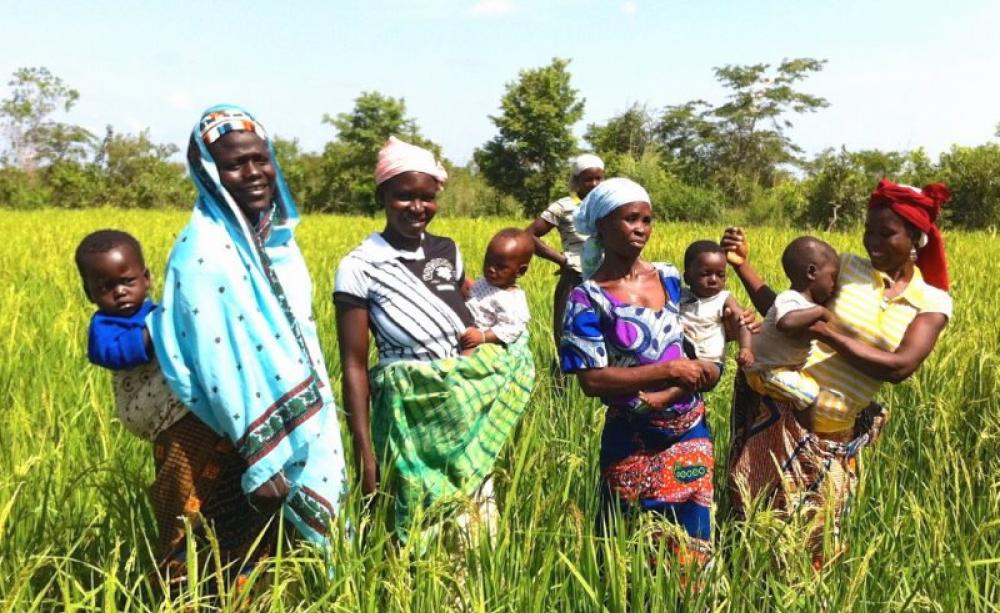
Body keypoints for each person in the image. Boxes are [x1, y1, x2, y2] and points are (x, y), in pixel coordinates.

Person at [148, 106, 348, 584]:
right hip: (226, 445)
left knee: (279, 575)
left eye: (261, 159)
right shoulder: (204, 252)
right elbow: (217, 364)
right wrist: (263, 456)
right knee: (216, 573)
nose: (254, 173)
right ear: (210, 173)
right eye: (236, 164)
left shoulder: (277, 244)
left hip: (289, 435)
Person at [722, 179, 952, 562]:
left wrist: (829, 330)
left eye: (885, 233)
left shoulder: (932, 301)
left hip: (833, 437)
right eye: (868, 230)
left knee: (816, 547)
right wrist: (744, 266)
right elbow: (785, 316)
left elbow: (900, 367)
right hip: (774, 417)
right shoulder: (845, 267)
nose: (872, 241)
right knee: (752, 534)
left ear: (915, 236)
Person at [334, 137, 535, 542]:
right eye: (404, 196)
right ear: (383, 195)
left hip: (463, 410)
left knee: (473, 531)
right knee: (414, 532)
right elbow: (353, 367)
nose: (417, 207)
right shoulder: (360, 266)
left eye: (427, 197)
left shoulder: (448, 249)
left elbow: (472, 301)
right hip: (409, 415)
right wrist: (365, 457)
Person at [558, 178, 723, 567]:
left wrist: (733, 318)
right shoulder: (587, 297)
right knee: (627, 553)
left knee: (693, 548)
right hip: (631, 438)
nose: (641, 229)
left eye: (647, 220)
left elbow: (707, 319)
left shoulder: (668, 278)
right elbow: (592, 380)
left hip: (689, 430)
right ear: (601, 224)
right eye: (630, 218)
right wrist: (666, 370)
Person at [76, 230, 188, 441]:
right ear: (89, 293)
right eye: (105, 287)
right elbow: (113, 353)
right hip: (139, 405)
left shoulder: (153, 312)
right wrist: (155, 329)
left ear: (146, 279)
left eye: (127, 281)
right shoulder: (103, 325)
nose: (119, 292)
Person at [639, 240, 754, 411]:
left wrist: (746, 348)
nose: (713, 280)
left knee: (698, 372)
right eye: (705, 274)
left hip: (710, 362)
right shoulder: (680, 297)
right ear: (687, 277)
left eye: (720, 274)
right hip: (680, 359)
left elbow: (741, 320)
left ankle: (667, 397)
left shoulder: (723, 298)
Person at [743, 236, 839, 411]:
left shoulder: (806, 304)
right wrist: (821, 312)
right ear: (811, 272)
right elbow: (785, 322)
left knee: (822, 389)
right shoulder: (790, 298)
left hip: (782, 370)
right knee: (811, 396)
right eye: (833, 277)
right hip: (765, 372)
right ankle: (805, 431)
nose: (835, 284)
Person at [526, 154, 604, 347]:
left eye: (598, 178)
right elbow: (528, 236)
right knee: (565, 336)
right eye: (588, 179)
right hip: (574, 277)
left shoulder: (608, 205)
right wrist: (562, 260)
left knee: (604, 335)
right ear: (576, 181)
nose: (594, 184)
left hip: (605, 278)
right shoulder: (563, 206)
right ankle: (562, 377)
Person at [461, 228, 534, 354]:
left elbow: (512, 328)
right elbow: (472, 293)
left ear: (520, 271)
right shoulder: (485, 282)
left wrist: (483, 337)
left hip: (487, 342)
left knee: (465, 359)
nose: (491, 269)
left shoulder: (512, 300)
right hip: (468, 330)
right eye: (488, 261)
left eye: (500, 267)